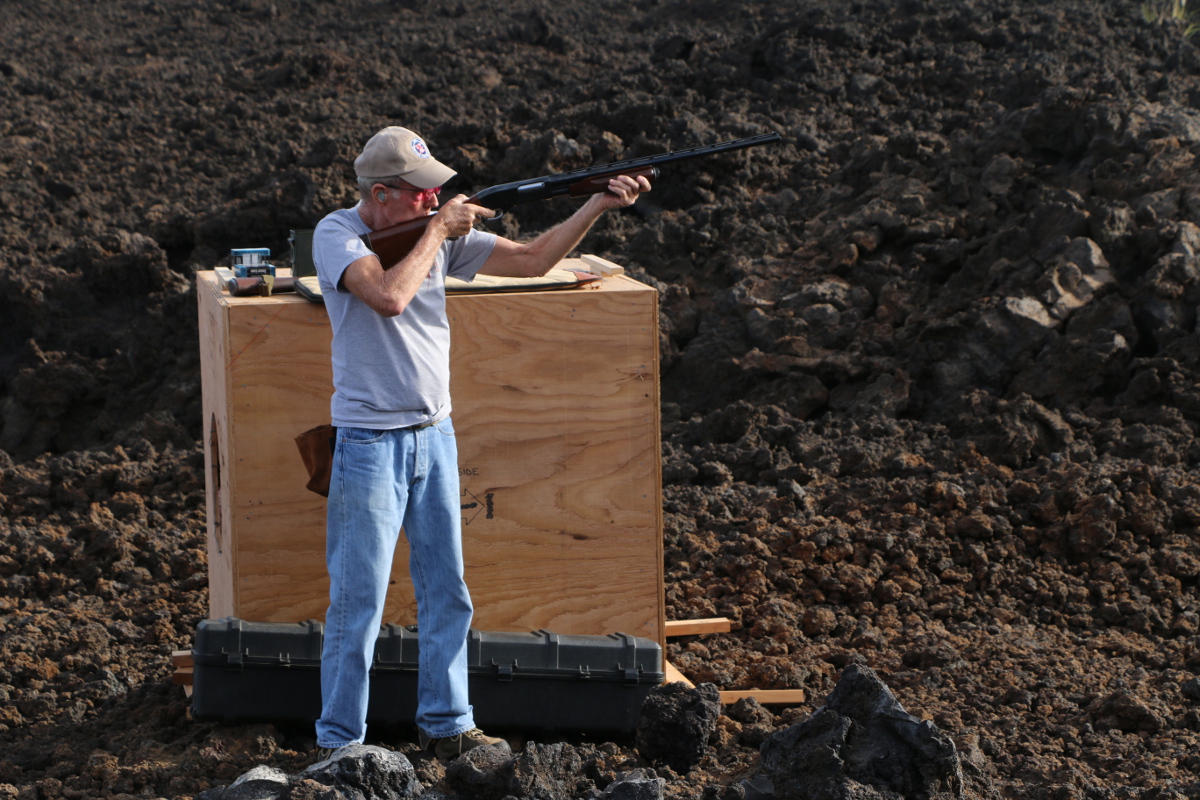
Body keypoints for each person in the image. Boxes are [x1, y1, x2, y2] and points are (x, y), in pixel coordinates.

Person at [311, 126, 649, 761]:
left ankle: (448, 724)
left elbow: (532, 261)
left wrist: (595, 205)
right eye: (422, 195)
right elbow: (388, 297)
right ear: (380, 194)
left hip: (435, 435)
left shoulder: (428, 232)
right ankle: (339, 747)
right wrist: (440, 231)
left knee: (447, 591)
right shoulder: (340, 236)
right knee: (358, 604)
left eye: (438, 190)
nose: (436, 200)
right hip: (370, 444)